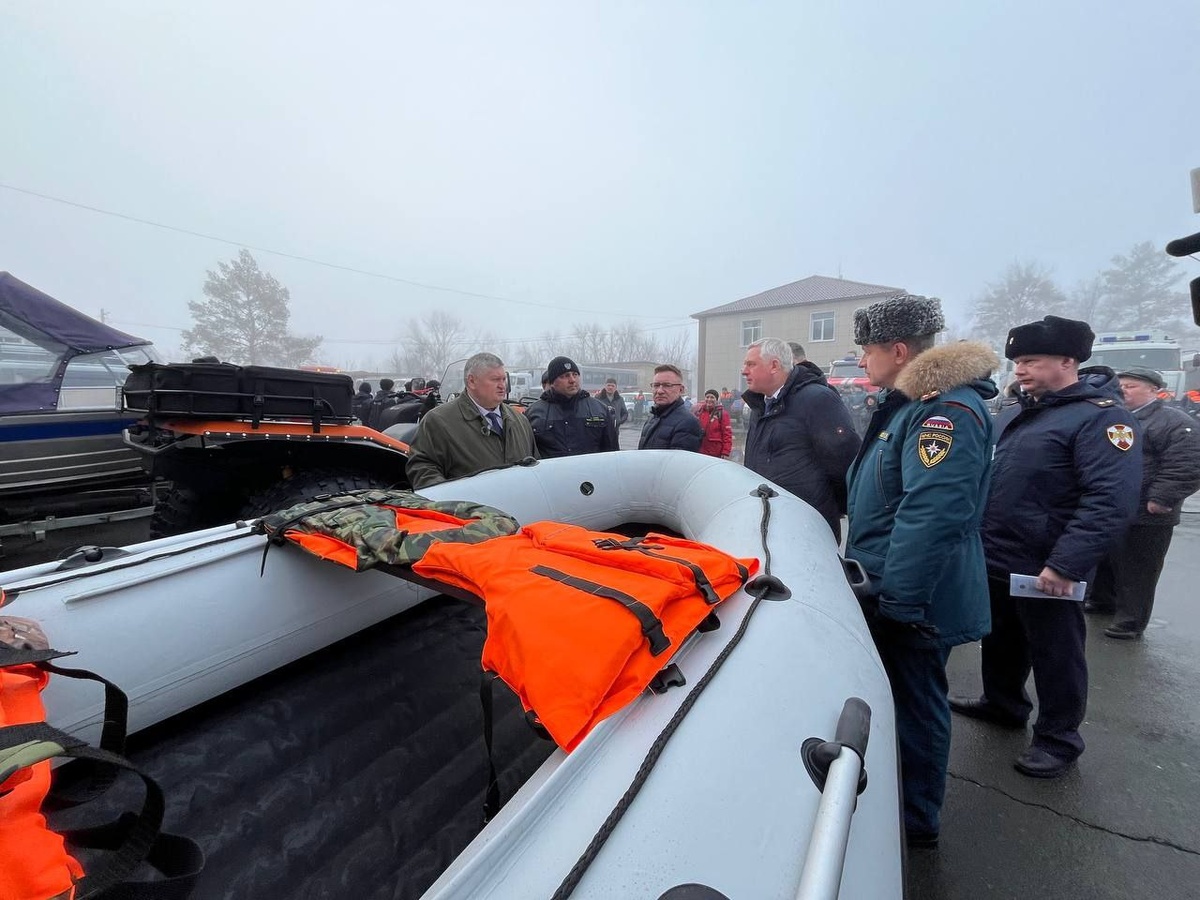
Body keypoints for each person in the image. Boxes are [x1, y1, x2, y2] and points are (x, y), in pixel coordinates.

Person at [950, 315, 1142, 780]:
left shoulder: (1101, 418)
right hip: (998, 556)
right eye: (1017, 361)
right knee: (1001, 639)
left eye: (1031, 360)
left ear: (1067, 361)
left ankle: (1059, 739)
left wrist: (1066, 564)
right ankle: (1004, 702)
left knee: (1057, 654)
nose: (1020, 369)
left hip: (1047, 566)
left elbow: (1109, 501)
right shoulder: (1016, 413)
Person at [842, 295, 998, 849]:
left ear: (898, 350)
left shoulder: (943, 413)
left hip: (914, 593)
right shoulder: (910, 405)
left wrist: (903, 602)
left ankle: (915, 819)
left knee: (917, 703)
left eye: (866, 350)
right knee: (904, 698)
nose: (861, 360)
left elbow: (931, 514)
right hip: (892, 581)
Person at [1086, 366, 1200, 638]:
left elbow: (1187, 464)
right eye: (1121, 385)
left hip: (1148, 510)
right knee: (1106, 559)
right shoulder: (1114, 417)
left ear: (1154, 391)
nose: (1123, 390)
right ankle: (1103, 601)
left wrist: (1162, 498)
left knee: (1138, 569)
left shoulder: (1172, 422)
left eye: (1131, 386)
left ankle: (1130, 621)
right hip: (1115, 506)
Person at [741, 337, 859, 540]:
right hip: (767, 520)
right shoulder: (759, 406)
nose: (744, 371)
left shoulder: (817, 400)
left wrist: (833, 507)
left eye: (751, 364)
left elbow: (844, 462)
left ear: (774, 366)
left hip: (807, 525)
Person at [405, 352, 537, 489]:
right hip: (468, 509)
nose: (502, 385)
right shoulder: (439, 421)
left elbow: (535, 465)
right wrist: (453, 501)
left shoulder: (520, 421)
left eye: (503, 379)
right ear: (471, 381)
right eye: (495, 379)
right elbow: (423, 469)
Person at [525, 356, 619, 458]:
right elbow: (526, 455)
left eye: (575, 375)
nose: (572, 380)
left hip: (591, 472)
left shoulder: (600, 410)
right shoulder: (534, 413)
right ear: (552, 382)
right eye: (565, 376)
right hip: (549, 473)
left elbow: (612, 454)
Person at [638, 364, 703, 451]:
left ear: (681, 390)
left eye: (667, 385)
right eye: (656, 385)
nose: (660, 391)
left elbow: (679, 462)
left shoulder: (688, 423)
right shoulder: (652, 418)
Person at [695, 389, 733, 458]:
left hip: (715, 453)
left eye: (712, 397)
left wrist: (725, 452)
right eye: (707, 397)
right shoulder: (700, 412)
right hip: (700, 452)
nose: (709, 399)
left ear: (716, 399)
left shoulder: (722, 414)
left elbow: (727, 435)